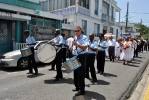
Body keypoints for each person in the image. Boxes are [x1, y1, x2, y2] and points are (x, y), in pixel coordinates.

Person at [68, 26, 88, 96]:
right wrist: (71, 48)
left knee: (81, 74)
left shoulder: (84, 37)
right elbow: (73, 47)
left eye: (78, 31)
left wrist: (76, 44)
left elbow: (85, 47)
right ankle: (77, 87)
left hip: (81, 56)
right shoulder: (75, 38)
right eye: (75, 31)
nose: (76, 32)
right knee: (75, 73)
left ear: (81, 31)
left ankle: (82, 90)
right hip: (74, 56)